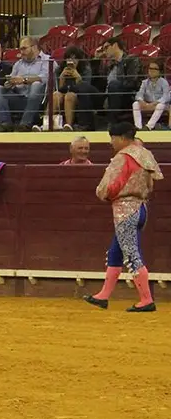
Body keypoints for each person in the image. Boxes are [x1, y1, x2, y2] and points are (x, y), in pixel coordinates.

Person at [84, 121, 161, 312]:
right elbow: (151, 183)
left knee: (132, 253)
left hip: (126, 210)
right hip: (141, 208)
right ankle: (103, 296)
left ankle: (146, 299)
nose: (111, 143)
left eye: (112, 138)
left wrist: (104, 194)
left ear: (122, 138)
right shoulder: (145, 153)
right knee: (115, 252)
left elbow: (112, 185)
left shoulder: (123, 157)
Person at [0, 36, 49, 132]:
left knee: (36, 84)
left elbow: (45, 79)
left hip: (38, 101)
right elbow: (12, 80)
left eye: (24, 48)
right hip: (19, 98)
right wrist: (9, 83)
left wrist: (24, 80)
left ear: (34, 47)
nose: (21, 52)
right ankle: (6, 124)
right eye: (20, 49)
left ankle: (25, 124)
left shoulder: (47, 61)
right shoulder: (18, 64)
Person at [97, 38, 143, 124]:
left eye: (106, 48)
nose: (104, 51)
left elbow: (132, 82)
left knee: (114, 84)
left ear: (115, 45)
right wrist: (96, 60)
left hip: (126, 96)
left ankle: (112, 123)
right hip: (108, 95)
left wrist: (115, 86)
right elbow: (97, 81)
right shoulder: (109, 65)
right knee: (84, 86)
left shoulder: (131, 59)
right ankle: (86, 125)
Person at [51, 45, 96, 131]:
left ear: (79, 59)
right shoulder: (59, 70)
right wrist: (61, 78)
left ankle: (68, 126)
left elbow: (85, 88)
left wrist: (78, 77)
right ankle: (47, 124)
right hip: (62, 94)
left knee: (69, 96)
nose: (71, 61)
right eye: (69, 58)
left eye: (75, 59)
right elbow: (58, 89)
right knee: (55, 95)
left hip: (80, 97)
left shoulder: (85, 69)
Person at [132, 60, 169, 129]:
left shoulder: (164, 82)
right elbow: (139, 94)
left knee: (160, 105)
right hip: (147, 104)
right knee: (135, 104)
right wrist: (141, 101)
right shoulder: (145, 82)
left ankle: (149, 126)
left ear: (159, 71)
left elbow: (166, 97)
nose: (151, 71)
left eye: (154, 69)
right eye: (150, 68)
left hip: (159, 105)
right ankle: (138, 127)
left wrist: (155, 103)